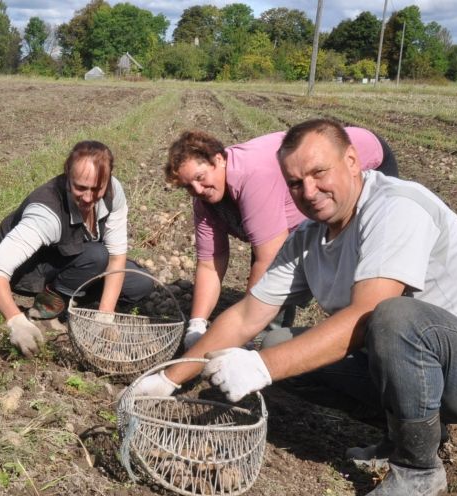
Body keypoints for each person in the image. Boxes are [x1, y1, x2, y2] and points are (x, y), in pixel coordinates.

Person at [131, 118, 457, 496]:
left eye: (319, 173)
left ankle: (417, 469)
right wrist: (170, 379)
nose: (308, 191)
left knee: (391, 317)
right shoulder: (309, 238)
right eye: (294, 183)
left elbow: (367, 315)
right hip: (433, 367)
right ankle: (411, 433)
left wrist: (259, 368)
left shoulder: (395, 208)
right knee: (276, 344)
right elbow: (247, 314)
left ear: (352, 161)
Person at [164, 127, 398, 348]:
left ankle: (363, 334)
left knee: (352, 254)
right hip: (277, 203)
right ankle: (270, 335)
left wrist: (242, 332)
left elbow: (267, 259)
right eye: (188, 186)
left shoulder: (252, 175)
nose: (198, 189)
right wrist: (197, 324)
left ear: (219, 160)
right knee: (276, 253)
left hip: (369, 159)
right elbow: (210, 263)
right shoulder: (204, 202)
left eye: (200, 177)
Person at [0, 141, 154, 356]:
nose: (88, 197)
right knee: (96, 256)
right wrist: (14, 320)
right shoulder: (46, 212)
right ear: (67, 176)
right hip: (30, 270)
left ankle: (77, 305)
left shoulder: (113, 191)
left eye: (96, 189)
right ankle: (43, 312)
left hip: (73, 258)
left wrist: (105, 316)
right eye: (80, 188)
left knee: (139, 282)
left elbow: (117, 256)